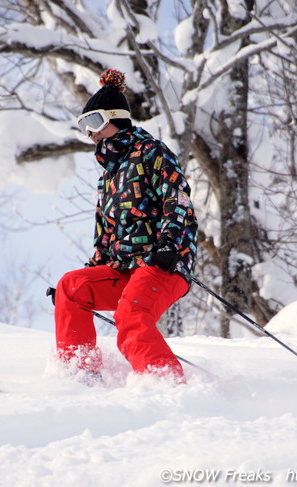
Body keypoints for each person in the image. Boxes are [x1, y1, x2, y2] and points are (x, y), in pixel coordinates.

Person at [52, 68, 198, 384]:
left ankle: (166, 385)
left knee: (130, 316)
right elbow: (104, 238)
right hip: (124, 268)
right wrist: (90, 271)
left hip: (162, 262)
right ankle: (80, 376)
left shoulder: (151, 151)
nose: (89, 133)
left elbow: (177, 197)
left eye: (93, 123)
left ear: (115, 118)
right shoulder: (108, 178)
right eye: (83, 127)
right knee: (72, 286)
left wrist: (169, 242)